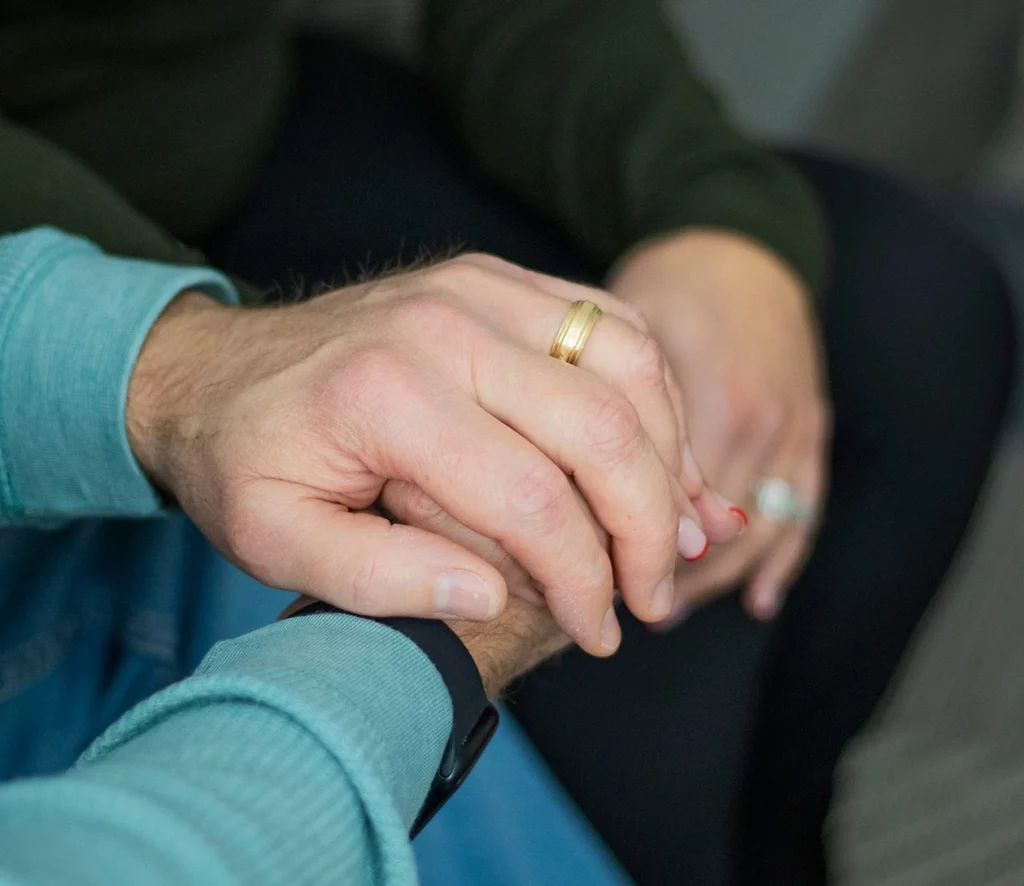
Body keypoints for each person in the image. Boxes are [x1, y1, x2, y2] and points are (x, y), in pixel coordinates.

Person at [0, 2, 1014, 886]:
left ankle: (783, 838)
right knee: (644, 735)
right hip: (59, 283)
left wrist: (716, 223)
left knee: (909, 309)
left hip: (228, 135)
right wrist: (199, 357)